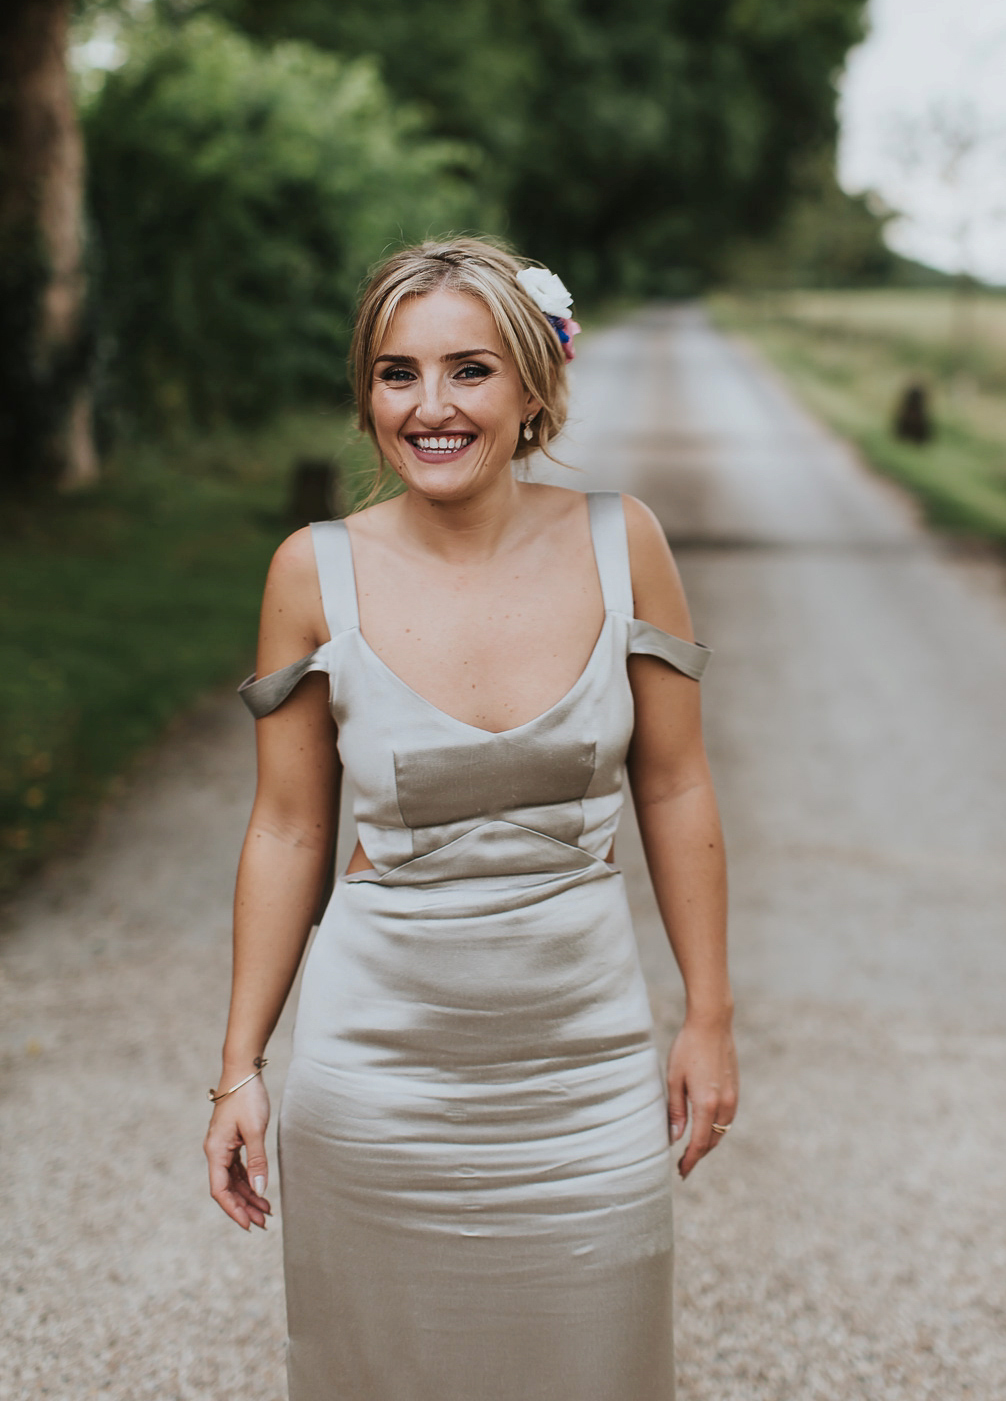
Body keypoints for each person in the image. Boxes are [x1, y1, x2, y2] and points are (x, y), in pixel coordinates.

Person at [203, 238, 737, 1401]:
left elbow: (675, 784)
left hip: (584, 1061)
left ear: (535, 387)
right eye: (397, 374)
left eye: (471, 371)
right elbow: (289, 830)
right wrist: (239, 1068)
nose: (431, 407)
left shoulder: (622, 541)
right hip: (376, 1072)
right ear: (366, 395)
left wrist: (707, 1017)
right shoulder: (312, 572)